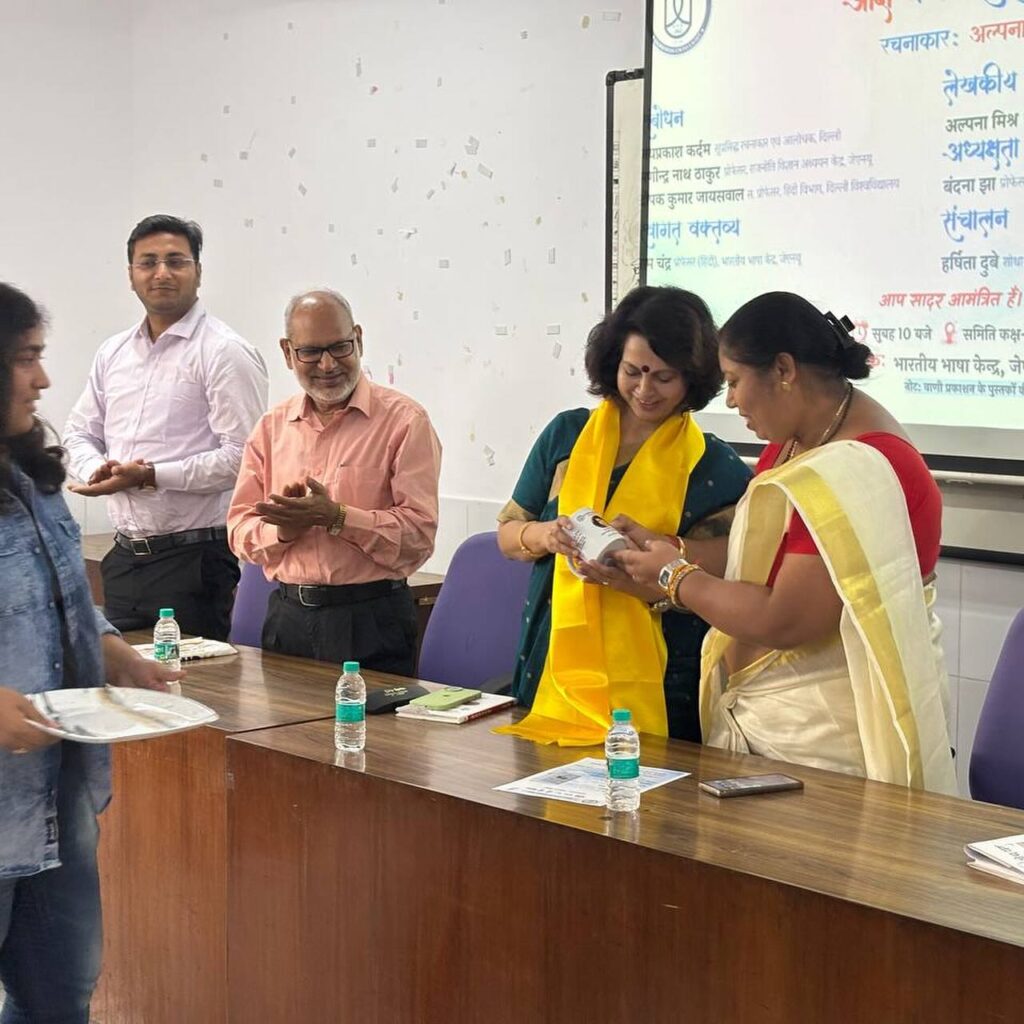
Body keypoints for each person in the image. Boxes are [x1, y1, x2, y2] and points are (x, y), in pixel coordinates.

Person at [619, 291, 956, 793]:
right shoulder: (794, 443)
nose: (730, 401)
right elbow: (756, 561)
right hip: (768, 733)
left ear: (783, 369)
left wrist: (672, 576)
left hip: (830, 746)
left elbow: (787, 618)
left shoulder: (867, 467)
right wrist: (666, 549)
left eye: (735, 381)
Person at [0, 282, 182, 1023]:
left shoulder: (33, 476)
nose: (43, 378)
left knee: (59, 999)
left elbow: (62, 597)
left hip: (56, 798)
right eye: (25, 359)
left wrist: (113, 652)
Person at [495, 286, 751, 746]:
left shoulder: (714, 465)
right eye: (633, 372)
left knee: (649, 781)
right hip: (553, 655)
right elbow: (508, 534)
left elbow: (735, 562)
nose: (645, 391)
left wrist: (666, 549)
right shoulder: (567, 435)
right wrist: (546, 536)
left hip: (664, 668)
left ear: (692, 377)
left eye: (664, 377)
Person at [63, 214, 269, 640]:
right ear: (131, 275)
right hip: (124, 556)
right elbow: (78, 433)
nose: (161, 273)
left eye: (175, 261)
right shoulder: (113, 352)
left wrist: (151, 475)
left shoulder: (224, 351)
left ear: (198, 271)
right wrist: (98, 471)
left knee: (196, 680)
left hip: (195, 559)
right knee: (123, 680)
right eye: (148, 262)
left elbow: (244, 460)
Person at [227, 289, 441, 675]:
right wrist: (283, 532)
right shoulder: (271, 428)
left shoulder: (405, 422)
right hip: (288, 619)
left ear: (358, 338)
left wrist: (338, 517)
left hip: (372, 619)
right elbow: (238, 530)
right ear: (288, 352)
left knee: (370, 719)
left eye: (340, 347)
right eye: (310, 352)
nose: (327, 365)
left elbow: (418, 537)